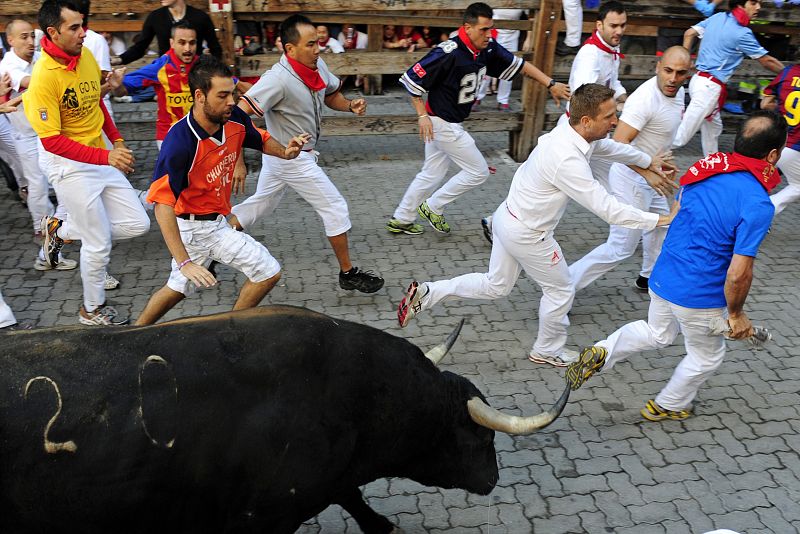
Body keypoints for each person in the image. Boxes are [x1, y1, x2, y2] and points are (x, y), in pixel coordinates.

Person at [397, 84, 678, 367]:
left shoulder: (571, 133)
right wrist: (661, 220)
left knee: (495, 286)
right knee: (561, 290)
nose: (616, 122)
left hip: (507, 219)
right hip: (529, 235)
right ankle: (547, 349)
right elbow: (609, 210)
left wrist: (647, 161)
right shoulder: (567, 160)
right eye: (609, 117)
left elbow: (607, 146)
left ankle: (428, 293)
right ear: (586, 121)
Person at [565, 111, 786, 421]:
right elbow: (739, 274)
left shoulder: (704, 170)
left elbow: (677, 212)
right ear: (773, 155)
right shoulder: (757, 202)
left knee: (657, 333)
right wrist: (735, 315)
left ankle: (604, 351)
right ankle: (668, 404)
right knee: (706, 356)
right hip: (700, 294)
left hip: (663, 276)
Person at [135, 57, 307, 325]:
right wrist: (184, 261)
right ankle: (231, 331)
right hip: (200, 229)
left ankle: (135, 333)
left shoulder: (233, 117)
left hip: (210, 222)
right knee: (268, 271)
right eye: (223, 95)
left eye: (233, 93)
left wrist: (286, 151)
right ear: (200, 96)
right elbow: (162, 206)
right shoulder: (180, 142)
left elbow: (258, 138)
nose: (231, 101)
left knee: (178, 288)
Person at [386, 2, 571, 236]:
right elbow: (411, 79)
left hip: (448, 121)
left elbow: (520, 65)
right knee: (478, 172)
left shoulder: (488, 47)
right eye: (484, 29)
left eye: (491, 28)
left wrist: (550, 83)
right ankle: (433, 206)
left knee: (431, 173)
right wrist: (421, 115)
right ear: (468, 27)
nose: (489, 34)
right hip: (442, 123)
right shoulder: (448, 51)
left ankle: (402, 218)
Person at [230, 14, 385, 294]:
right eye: (311, 44)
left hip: (288, 157)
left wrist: (350, 106)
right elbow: (237, 114)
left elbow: (329, 95)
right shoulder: (276, 79)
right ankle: (348, 274)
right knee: (335, 207)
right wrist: (238, 160)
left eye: (318, 42)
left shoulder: (316, 64)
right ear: (290, 49)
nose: (318, 48)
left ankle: (209, 248)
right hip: (290, 158)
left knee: (260, 205)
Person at [24, 0, 150, 325]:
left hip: (99, 156)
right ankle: (91, 309)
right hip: (68, 166)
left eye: (83, 25)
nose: (84, 33)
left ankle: (61, 230)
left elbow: (97, 104)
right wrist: (107, 154)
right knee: (98, 243)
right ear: (52, 32)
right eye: (75, 28)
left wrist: (117, 140)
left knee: (138, 224)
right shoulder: (41, 79)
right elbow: (52, 141)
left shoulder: (86, 56)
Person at [569, 46, 692, 293]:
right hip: (632, 180)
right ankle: (565, 285)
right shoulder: (645, 100)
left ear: (688, 74)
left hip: (653, 177)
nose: (672, 78)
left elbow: (657, 137)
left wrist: (661, 164)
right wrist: (646, 170)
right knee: (620, 247)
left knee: (662, 227)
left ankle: (648, 277)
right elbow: (620, 142)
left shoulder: (677, 92)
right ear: (657, 67)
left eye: (680, 73)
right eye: (668, 71)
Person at [0, 19, 76, 271]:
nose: (31, 42)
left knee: (58, 182)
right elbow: (33, 84)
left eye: (32, 37)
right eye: (24, 37)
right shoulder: (8, 65)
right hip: (28, 136)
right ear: (10, 40)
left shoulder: (38, 58)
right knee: (38, 185)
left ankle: (56, 230)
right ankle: (43, 233)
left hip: (50, 132)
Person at [672, 0, 784, 156]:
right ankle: (645, 152)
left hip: (699, 81)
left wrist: (685, 58)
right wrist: (789, 73)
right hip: (709, 88)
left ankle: (712, 163)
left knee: (713, 128)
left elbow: (689, 33)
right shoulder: (742, 33)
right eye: (753, 2)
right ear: (740, 5)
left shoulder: (718, 17)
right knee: (680, 138)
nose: (758, 7)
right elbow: (767, 61)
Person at [108, 21, 198, 150]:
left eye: (192, 43)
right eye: (182, 43)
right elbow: (120, 91)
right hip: (170, 137)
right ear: (172, 43)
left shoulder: (203, 64)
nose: (187, 49)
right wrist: (116, 86)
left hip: (199, 135)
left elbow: (229, 82)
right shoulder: (160, 67)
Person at [112, 0, 221, 65]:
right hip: (166, 71)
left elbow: (215, 49)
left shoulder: (200, 17)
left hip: (194, 71)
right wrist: (120, 59)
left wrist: (209, 69)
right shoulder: (155, 17)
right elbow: (141, 47)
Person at [761, 61, 800, 215]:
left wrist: (782, 109)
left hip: (774, 141)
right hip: (794, 146)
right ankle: (762, 213)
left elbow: (765, 104)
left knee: (758, 180)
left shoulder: (788, 72)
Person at [475, 8, 528, 111]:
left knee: (510, 66)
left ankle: (503, 101)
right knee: (486, 67)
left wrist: (528, 39)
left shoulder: (523, 4)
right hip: (494, 33)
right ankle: (477, 97)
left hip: (512, 35)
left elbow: (531, 18)